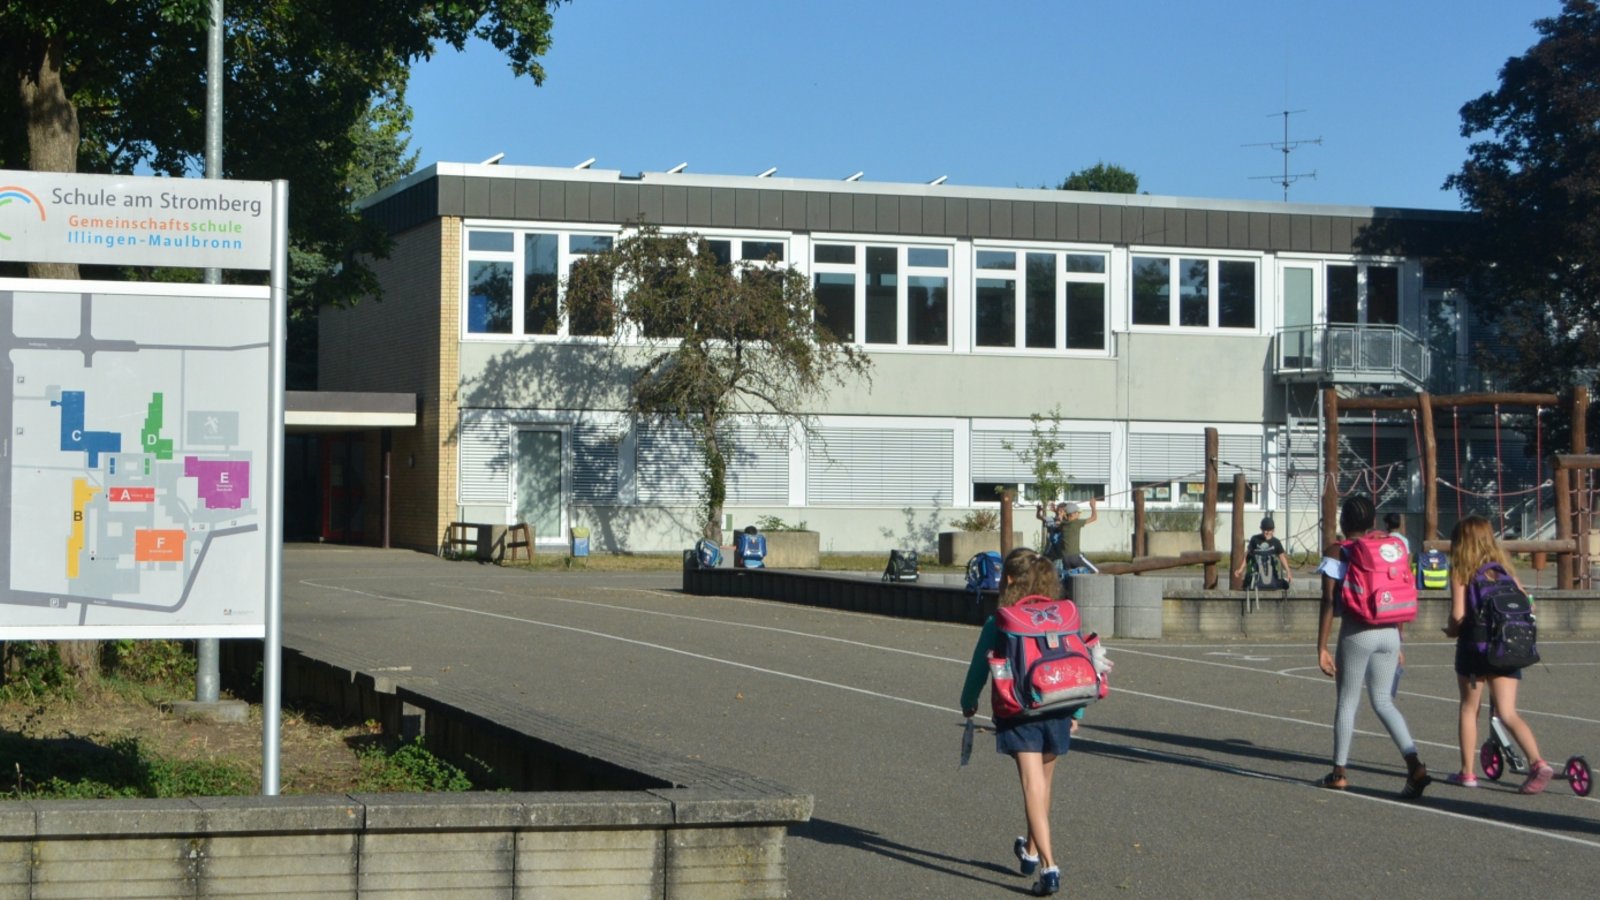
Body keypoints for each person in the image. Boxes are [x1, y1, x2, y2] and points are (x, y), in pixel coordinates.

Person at [960, 548, 1080, 896]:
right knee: (1043, 784)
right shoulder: (1061, 614)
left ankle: (1049, 867)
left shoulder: (1002, 619)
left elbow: (978, 669)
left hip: (1020, 709)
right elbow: (1076, 659)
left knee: (1031, 786)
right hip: (1058, 705)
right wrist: (1077, 712)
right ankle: (1029, 851)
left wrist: (969, 703)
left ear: (1009, 579)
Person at [1313, 494, 1431, 797]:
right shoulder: (1390, 547)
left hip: (1358, 631)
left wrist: (1321, 646)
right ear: (1372, 522)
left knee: (1347, 702)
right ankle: (1414, 763)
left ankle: (1339, 771)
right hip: (1390, 629)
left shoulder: (1339, 551)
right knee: (1383, 701)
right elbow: (1398, 589)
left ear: (1343, 521)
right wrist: (1399, 638)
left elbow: (1328, 600)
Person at [1442, 515, 1553, 792]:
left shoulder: (1462, 571)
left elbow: (1458, 614)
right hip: (1507, 647)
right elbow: (1529, 606)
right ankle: (1538, 762)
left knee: (1470, 708)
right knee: (1507, 711)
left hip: (1475, 649)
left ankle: (1467, 772)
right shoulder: (1505, 572)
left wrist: (1451, 630)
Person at [1233, 516, 1292, 590]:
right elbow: (1247, 556)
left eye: (1268, 530)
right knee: (1247, 582)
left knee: (1285, 584)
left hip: (1271, 574)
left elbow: (1282, 557)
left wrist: (1288, 571)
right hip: (1257, 574)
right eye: (1263, 530)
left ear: (1273, 530)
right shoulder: (1255, 539)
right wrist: (1240, 570)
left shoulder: (1276, 542)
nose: (1265, 532)